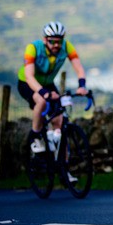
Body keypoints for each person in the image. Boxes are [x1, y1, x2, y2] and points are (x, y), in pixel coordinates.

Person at [18, 21, 89, 155]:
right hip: (27, 83)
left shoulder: (67, 47)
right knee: (41, 101)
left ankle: (63, 168)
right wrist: (44, 93)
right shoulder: (33, 48)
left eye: (59, 41)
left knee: (59, 120)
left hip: (47, 83)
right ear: (45, 40)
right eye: (52, 42)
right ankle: (36, 136)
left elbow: (79, 68)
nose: (56, 45)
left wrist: (82, 86)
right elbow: (29, 76)